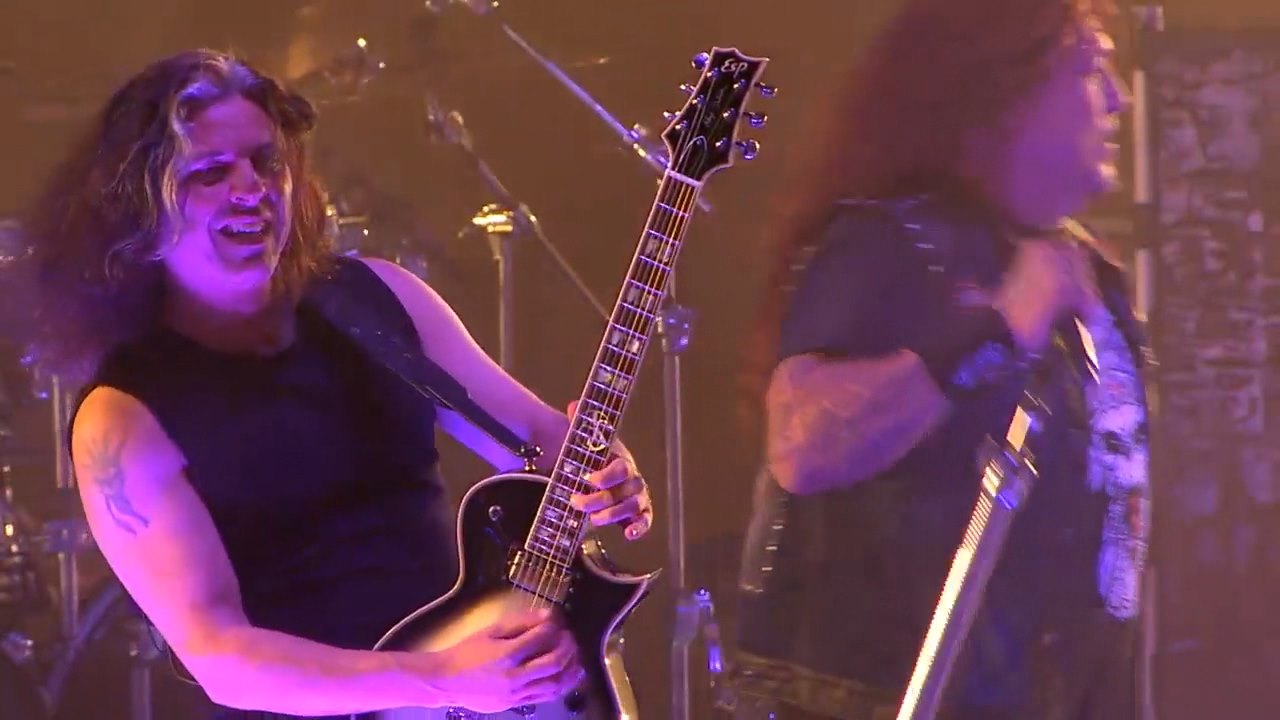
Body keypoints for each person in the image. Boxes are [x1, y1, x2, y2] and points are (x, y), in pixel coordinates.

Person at [17, 49, 654, 719]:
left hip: (476, 697)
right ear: (141, 204)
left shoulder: (378, 298)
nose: (251, 188)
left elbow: (540, 442)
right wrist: (436, 678)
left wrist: (607, 474)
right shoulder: (123, 418)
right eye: (210, 171)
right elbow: (222, 658)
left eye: (266, 161)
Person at [732, 0, 1152, 718]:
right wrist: (1003, 327)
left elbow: (1117, 559)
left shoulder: (1095, 283)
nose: (1120, 98)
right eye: (1092, 69)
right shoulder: (890, 243)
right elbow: (803, 446)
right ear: (1006, 92)